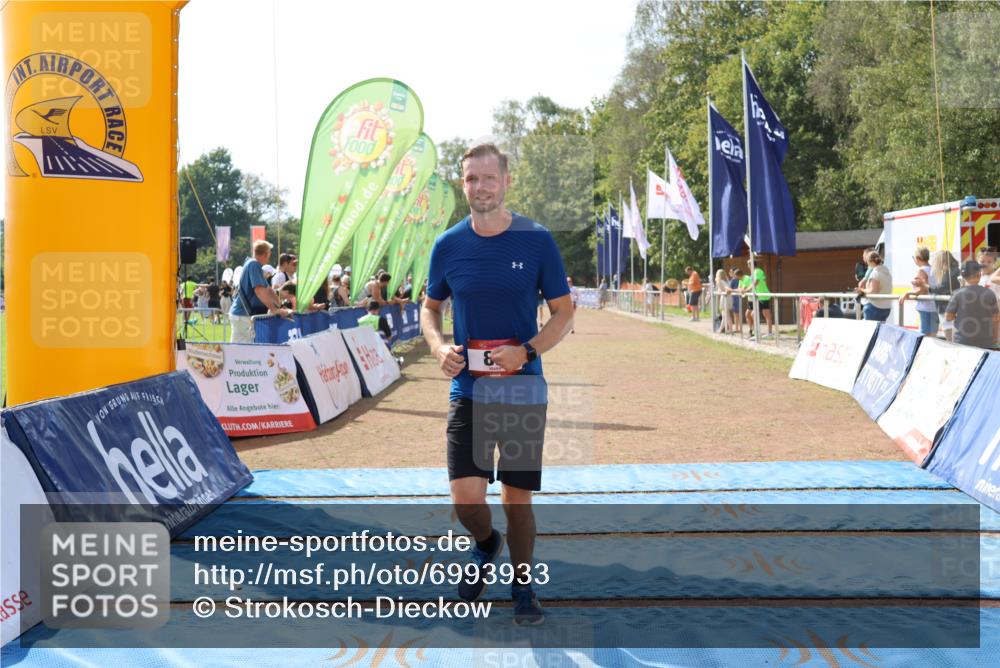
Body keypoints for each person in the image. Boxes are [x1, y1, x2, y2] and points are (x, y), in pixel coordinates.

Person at [419, 142, 573, 626]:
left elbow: (564, 312)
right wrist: (439, 348)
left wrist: (525, 351)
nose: (480, 187)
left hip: (522, 388)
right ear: (462, 184)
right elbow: (429, 308)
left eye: (489, 178)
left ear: (506, 181)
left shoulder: (537, 239)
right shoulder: (447, 245)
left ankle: (523, 586)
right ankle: (487, 545)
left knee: (515, 498)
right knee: (467, 503)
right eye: (471, 179)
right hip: (468, 389)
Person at [229, 240, 292, 342]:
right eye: (269, 254)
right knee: (246, 350)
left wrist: (280, 306)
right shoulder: (254, 265)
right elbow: (259, 290)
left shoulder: (253, 264)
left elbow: (268, 290)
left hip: (241, 315)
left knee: (239, 349)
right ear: (266, 254)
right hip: (243, 315)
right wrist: (273, 309)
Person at [945, 261, 999, 349]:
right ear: (979, 275)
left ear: (962, 276)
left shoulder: (957, 294)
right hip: (985, 342)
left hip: (962, 341)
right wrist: (995, 342)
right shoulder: (989, 293)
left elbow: (948, 317)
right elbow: (996, 320)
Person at [898, 246, 937, 336]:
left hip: (925, 307)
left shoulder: (921, 271)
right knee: (932, 335)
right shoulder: (933, 269)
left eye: (914, 258)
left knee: (925, 336)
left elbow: (922, 290)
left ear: (918, 258)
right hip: (934, 306)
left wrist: (908, 293)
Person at [856, 251, 893, 322]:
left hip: (874, 307)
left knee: (869, 331)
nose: (867, 264)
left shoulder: (875, 273)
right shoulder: (887, 273)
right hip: (886, 308)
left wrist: (861, 290)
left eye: (867, 262)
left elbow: (873, 291)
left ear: (871, 262)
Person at [741, 261, 774, 336]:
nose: (748, 266)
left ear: (751, 265)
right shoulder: (754, 273)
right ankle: (762, 332)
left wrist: (747, 290)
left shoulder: (757, 271)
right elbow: (761, 281)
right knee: (763, 314)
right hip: (759, 296)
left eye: (748, 264)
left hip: (763, 296)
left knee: (759, 314)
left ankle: (762, 332)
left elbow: (756, 282)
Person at [729, 268, 743, 335]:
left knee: (737, 314)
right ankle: (737, 328)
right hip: (735, 298)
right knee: (736, 314)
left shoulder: (735, 280)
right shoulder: (735, 280)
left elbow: (730, 289)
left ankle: (738, 328)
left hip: (736, 299)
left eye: (732, 272)